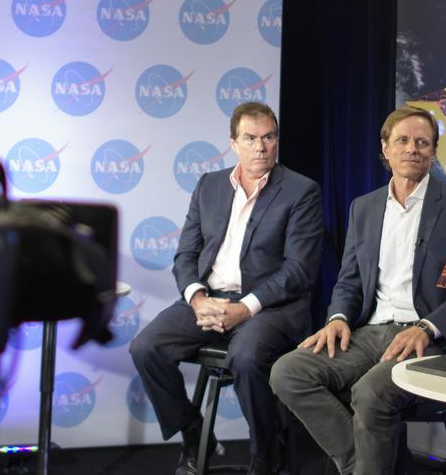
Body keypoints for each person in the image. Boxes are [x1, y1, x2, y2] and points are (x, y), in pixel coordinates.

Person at [269, 107, 446, 475]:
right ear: (385, 148)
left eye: (423, 142)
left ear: (434, 151)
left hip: (432, 337)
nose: (412, 149)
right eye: (402, 140)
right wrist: (337, 317)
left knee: (371, 393)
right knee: (287, 371)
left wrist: (427, 328)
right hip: (370, 333)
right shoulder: (364, 208)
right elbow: (349, 280)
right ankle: (365, 464)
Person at [129, 102, 323, 475]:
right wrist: (197, 298)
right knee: (146, 347)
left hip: (270, 307)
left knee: (247, 358)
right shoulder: (210, 185)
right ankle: (193, 433)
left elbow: (299, 270)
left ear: (277, 140)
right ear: (234, 143)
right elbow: (186, 254)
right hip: (210, 299)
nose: (261, 147)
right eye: (250, 138)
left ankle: (268, 451)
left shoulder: (301, 191)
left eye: (268, 137)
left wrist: (246, 307)